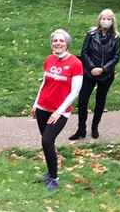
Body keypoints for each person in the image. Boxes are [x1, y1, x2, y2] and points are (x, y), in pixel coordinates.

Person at [31, 29, 83, 191]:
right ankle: (50, 172)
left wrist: (59, 111)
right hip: (42, 107)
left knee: (47, 140)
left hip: (60, 111)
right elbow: (44, 83)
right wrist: (35, 103)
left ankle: (54, 178)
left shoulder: (76, 63)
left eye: (61, 41)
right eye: (55, 41)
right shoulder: (49, 60)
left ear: (67, 43)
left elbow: (75, 91)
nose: (57, 43)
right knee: (47, 142)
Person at [69, 8, 120, 140]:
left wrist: (103, 69)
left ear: (112, 21)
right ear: (99, 20)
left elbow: (116, 57)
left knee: (100, 100)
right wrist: (92, 67)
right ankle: (81, 129)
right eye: (103, 18)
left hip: (106, 75)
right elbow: (84, 52)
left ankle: (95, 128)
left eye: (109, 19)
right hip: (89, 73)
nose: (106, 21)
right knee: (82, 100)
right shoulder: (91, 34)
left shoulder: (116, 37)